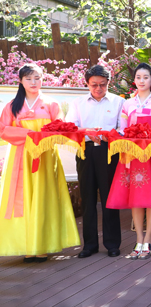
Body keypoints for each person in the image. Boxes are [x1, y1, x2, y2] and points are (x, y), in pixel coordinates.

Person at [0, 64, 80, 262]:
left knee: (45, 196)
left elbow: (60, 128)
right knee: (23, 198)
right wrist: (30, 134)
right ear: (20, 81)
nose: (33, 82)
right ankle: (28, 246)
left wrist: (44, 136)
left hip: (45, 156)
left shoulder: (51, 104)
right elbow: (3, 129)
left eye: (37, 78)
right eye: (28, 79)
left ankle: (43, 245)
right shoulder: (12, 105)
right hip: (21, 157)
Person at [107, 63, 151, 260]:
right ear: (134, 80)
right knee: (135, 197)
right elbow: (122, 129)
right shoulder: (128, 104)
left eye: (145, 77)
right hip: (132, 155)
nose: (141, 81)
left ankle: (148, 239)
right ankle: (138, 239)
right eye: (138, 77)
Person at [65, 65, 125, 258]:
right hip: (86, 151)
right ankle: (89, 246)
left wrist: (109, 136)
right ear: (87, 84)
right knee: (88, 199)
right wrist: (88, 131)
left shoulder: (118, 102)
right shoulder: (78, 103)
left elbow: (124, 130)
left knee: (110, 198)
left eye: (102, 85)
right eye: (94, 85)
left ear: (109, 83)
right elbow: (71, 127)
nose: (98, 89)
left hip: (109, 152)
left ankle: (112, 244)